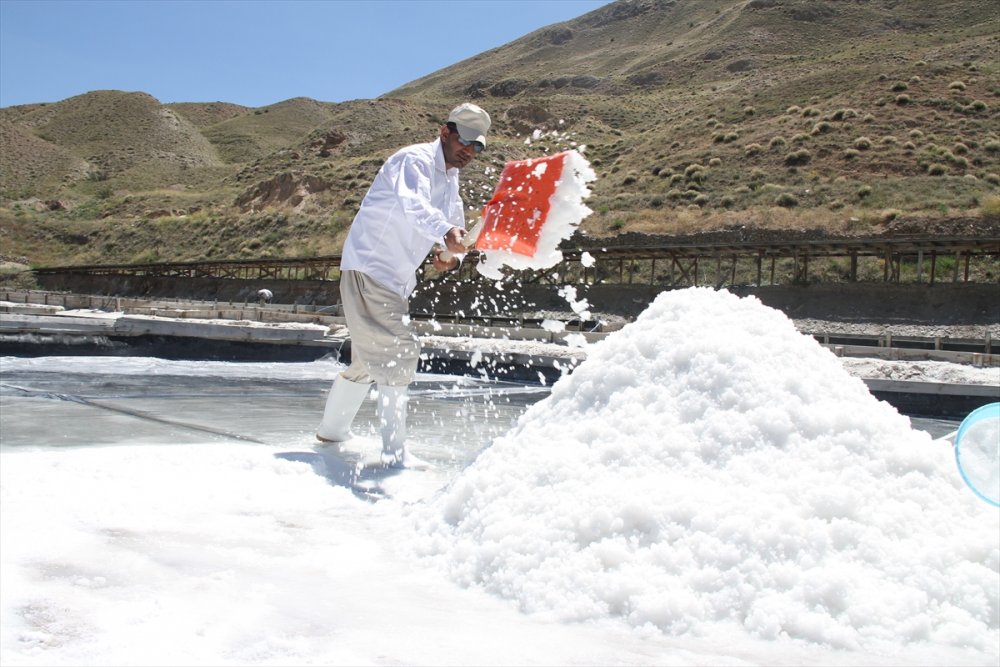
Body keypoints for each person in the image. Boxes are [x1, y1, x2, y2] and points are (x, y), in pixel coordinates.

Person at [316, 102, 491, 467]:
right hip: (372, 268)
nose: (469, 153)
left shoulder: (450, 177)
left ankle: (331, 432)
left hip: (394, 279)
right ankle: (395, 453)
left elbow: (451, 221)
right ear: (445, 132)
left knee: (368, 362)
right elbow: (414, 205)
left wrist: (451, 254)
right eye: (465, 142)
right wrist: (445, 233)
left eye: (477, 148)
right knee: (398, 352)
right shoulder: (413, 161)